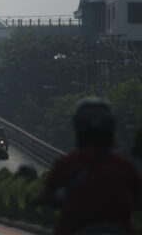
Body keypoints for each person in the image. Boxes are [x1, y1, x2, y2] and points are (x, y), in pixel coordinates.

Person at [39, 97, 141, 234]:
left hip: (74, 228)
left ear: (79, 128)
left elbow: (47, 194)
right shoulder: (124, 164)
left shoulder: (67, 163)